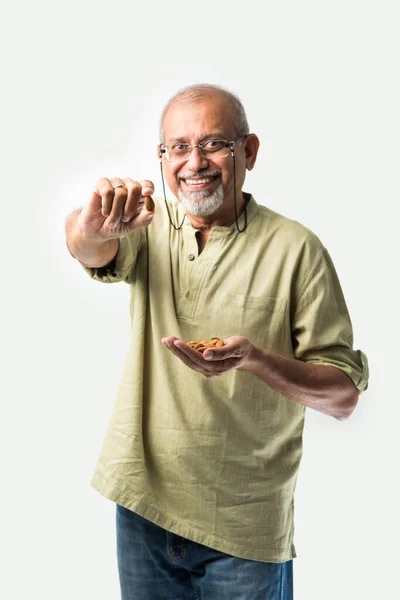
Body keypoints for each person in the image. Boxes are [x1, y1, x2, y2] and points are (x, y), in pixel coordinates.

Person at [65, 83, 369, 600]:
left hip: (244, 526)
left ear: (248, 152)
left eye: (213, 144)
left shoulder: (296, 249)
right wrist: (90, 227)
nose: (194, 163)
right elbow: (88, 246)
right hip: (143, 506)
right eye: (178, 147)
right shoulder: (149, 222)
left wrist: (255, 360)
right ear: (162, 156)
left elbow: (343, 396)